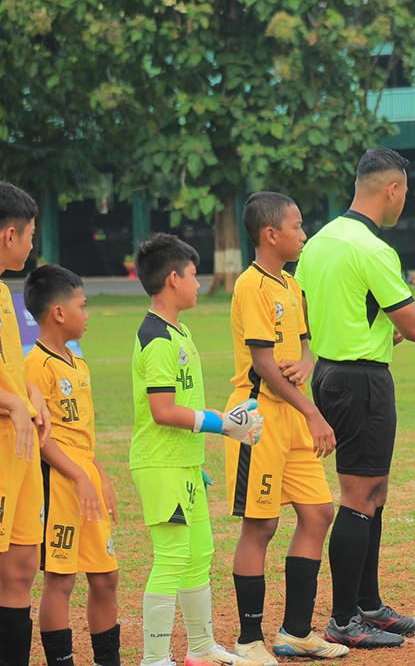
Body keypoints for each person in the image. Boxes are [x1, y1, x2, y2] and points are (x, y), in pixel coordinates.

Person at [295, 147, 415, 649]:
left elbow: (316, 311)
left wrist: (373, 331)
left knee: (373, 493)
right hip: (361, 381)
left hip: (333, 372)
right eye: (405, 192)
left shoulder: (320, 241)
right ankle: (343, 618)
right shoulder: (373, 249)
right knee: (359, 497)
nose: (404, 201)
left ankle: (368, 604)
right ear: (392, 190)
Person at [130, 233, 263, 666]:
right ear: (173, 279)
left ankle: (201, 648)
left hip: (184, 464)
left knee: (199, 553)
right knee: (171, 557)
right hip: (162, 464)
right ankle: (154, 658)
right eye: (193, 275)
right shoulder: (157, 338)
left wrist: (194, 460)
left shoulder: (179, 330)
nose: (199, 284)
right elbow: (163, 411)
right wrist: (222, 424)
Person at [225, 193, 346, 662]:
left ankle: (295, 632)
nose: (304, 234)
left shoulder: (291, 285)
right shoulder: (250, 286)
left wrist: (307, 361)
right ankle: (248, 640)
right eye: (297, 227)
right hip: (257, 417)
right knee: (261, 525)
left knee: (318, 513)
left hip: (292, 414)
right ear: (270, 234)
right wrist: (313, 412)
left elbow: (302, 345)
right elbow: (263, 363)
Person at [23, 265, 121, 665]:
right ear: (59, 313)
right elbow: (40, 435)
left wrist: (99, 475)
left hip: (85, 478)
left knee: (106, 576)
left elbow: (82, 432)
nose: (87, 313)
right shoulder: (35, 365)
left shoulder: (77, 363)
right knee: (61, 580)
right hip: (60, 481)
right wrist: (78, 474)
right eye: (82, 305)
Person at [0, 182, 51, 666]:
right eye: (31, 235)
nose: (33, 246)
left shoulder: (3, 292)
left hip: (19, 454)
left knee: (20, 567)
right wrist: (9, 403)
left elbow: (8, 368)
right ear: (9, 235)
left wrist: (30, 393)